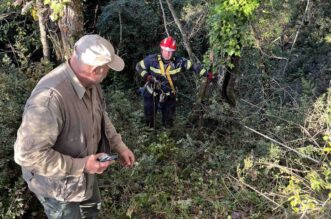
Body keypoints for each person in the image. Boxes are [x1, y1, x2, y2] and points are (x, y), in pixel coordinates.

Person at [14, 34, 135, 219]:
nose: (108, 72)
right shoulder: (49, 100)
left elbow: (101, 115)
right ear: (96, 70)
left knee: (91, 212)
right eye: (107, 69)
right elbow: (28, 155)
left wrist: (119, 145)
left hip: (85, 178)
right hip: (59, 189)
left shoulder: (91, 83)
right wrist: (82, 165)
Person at [136, 36, 212, 128]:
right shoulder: (151, 60)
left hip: (169, 95)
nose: (167, 53)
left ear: (173, 52)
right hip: (151, 92)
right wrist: (146, 76)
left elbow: (194, 67)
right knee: (149, 118)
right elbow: (138, 66)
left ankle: (166, 135)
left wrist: (207, 74)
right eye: (165, 50)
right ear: (161, 49)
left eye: (170, 51)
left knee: (168, 121)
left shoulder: (179, 62)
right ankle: (149, 132)